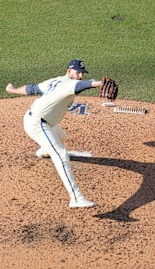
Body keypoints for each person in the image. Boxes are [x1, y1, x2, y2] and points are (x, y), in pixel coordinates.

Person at [6, 59, 106, 208]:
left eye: (82, 73)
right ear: (69, 71)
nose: (80, 76)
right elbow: (80, 86)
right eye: (77, 72)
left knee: (61, 137)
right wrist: (98, 84)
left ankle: (43, 152)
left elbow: (32, 88)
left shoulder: (57, 81)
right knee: (61, 154)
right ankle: (76, 198)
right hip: (38, 124)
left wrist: (13, 90)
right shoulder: (70, 84)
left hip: (43, 121)